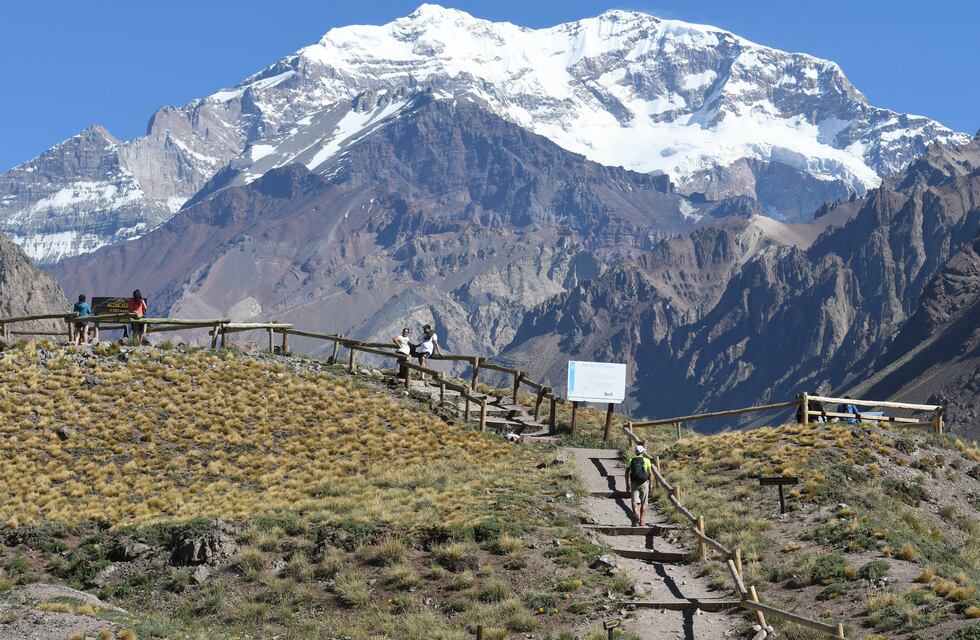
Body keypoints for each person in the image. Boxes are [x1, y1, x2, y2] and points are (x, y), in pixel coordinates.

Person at [625, 445, 653, 526]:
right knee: (644, 502)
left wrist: (627, 484)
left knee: (634, 501)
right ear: (643, 452)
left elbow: (627, 473)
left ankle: (636, 515)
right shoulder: (647, 460)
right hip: (644, 483)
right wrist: (650, 484)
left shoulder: (631, 460)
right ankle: (641, 520)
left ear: (635, 452)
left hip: (634, 483)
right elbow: (650, 473)